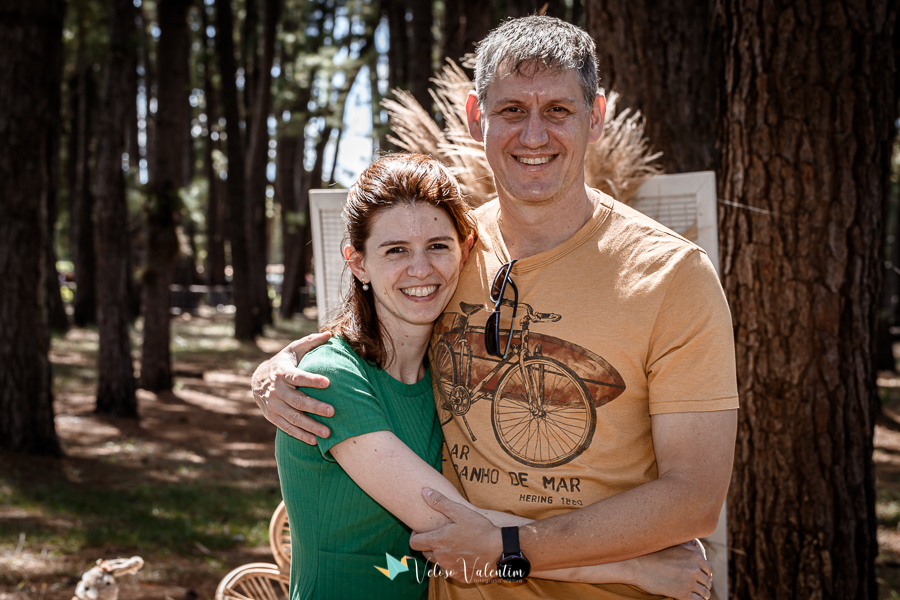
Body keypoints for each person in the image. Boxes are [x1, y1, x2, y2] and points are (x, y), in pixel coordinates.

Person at [255, 16, 738, 600]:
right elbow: (376, 322)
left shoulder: (673, 276)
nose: (534, 135)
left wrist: (515, 550)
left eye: (558, 109)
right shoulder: (455, 254)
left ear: (597, 115)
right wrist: (276, 368)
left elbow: (693, 499)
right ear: (475, 117)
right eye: (511, 110)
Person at [275, 153, 713, 600]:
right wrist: (634, 567)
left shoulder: (438, 375)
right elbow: (460, 528)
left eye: (437, 246)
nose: (421, 269)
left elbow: (437, 550)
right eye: (396, 251)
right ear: (357, 262)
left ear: (464, 252)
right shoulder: (332, 381)